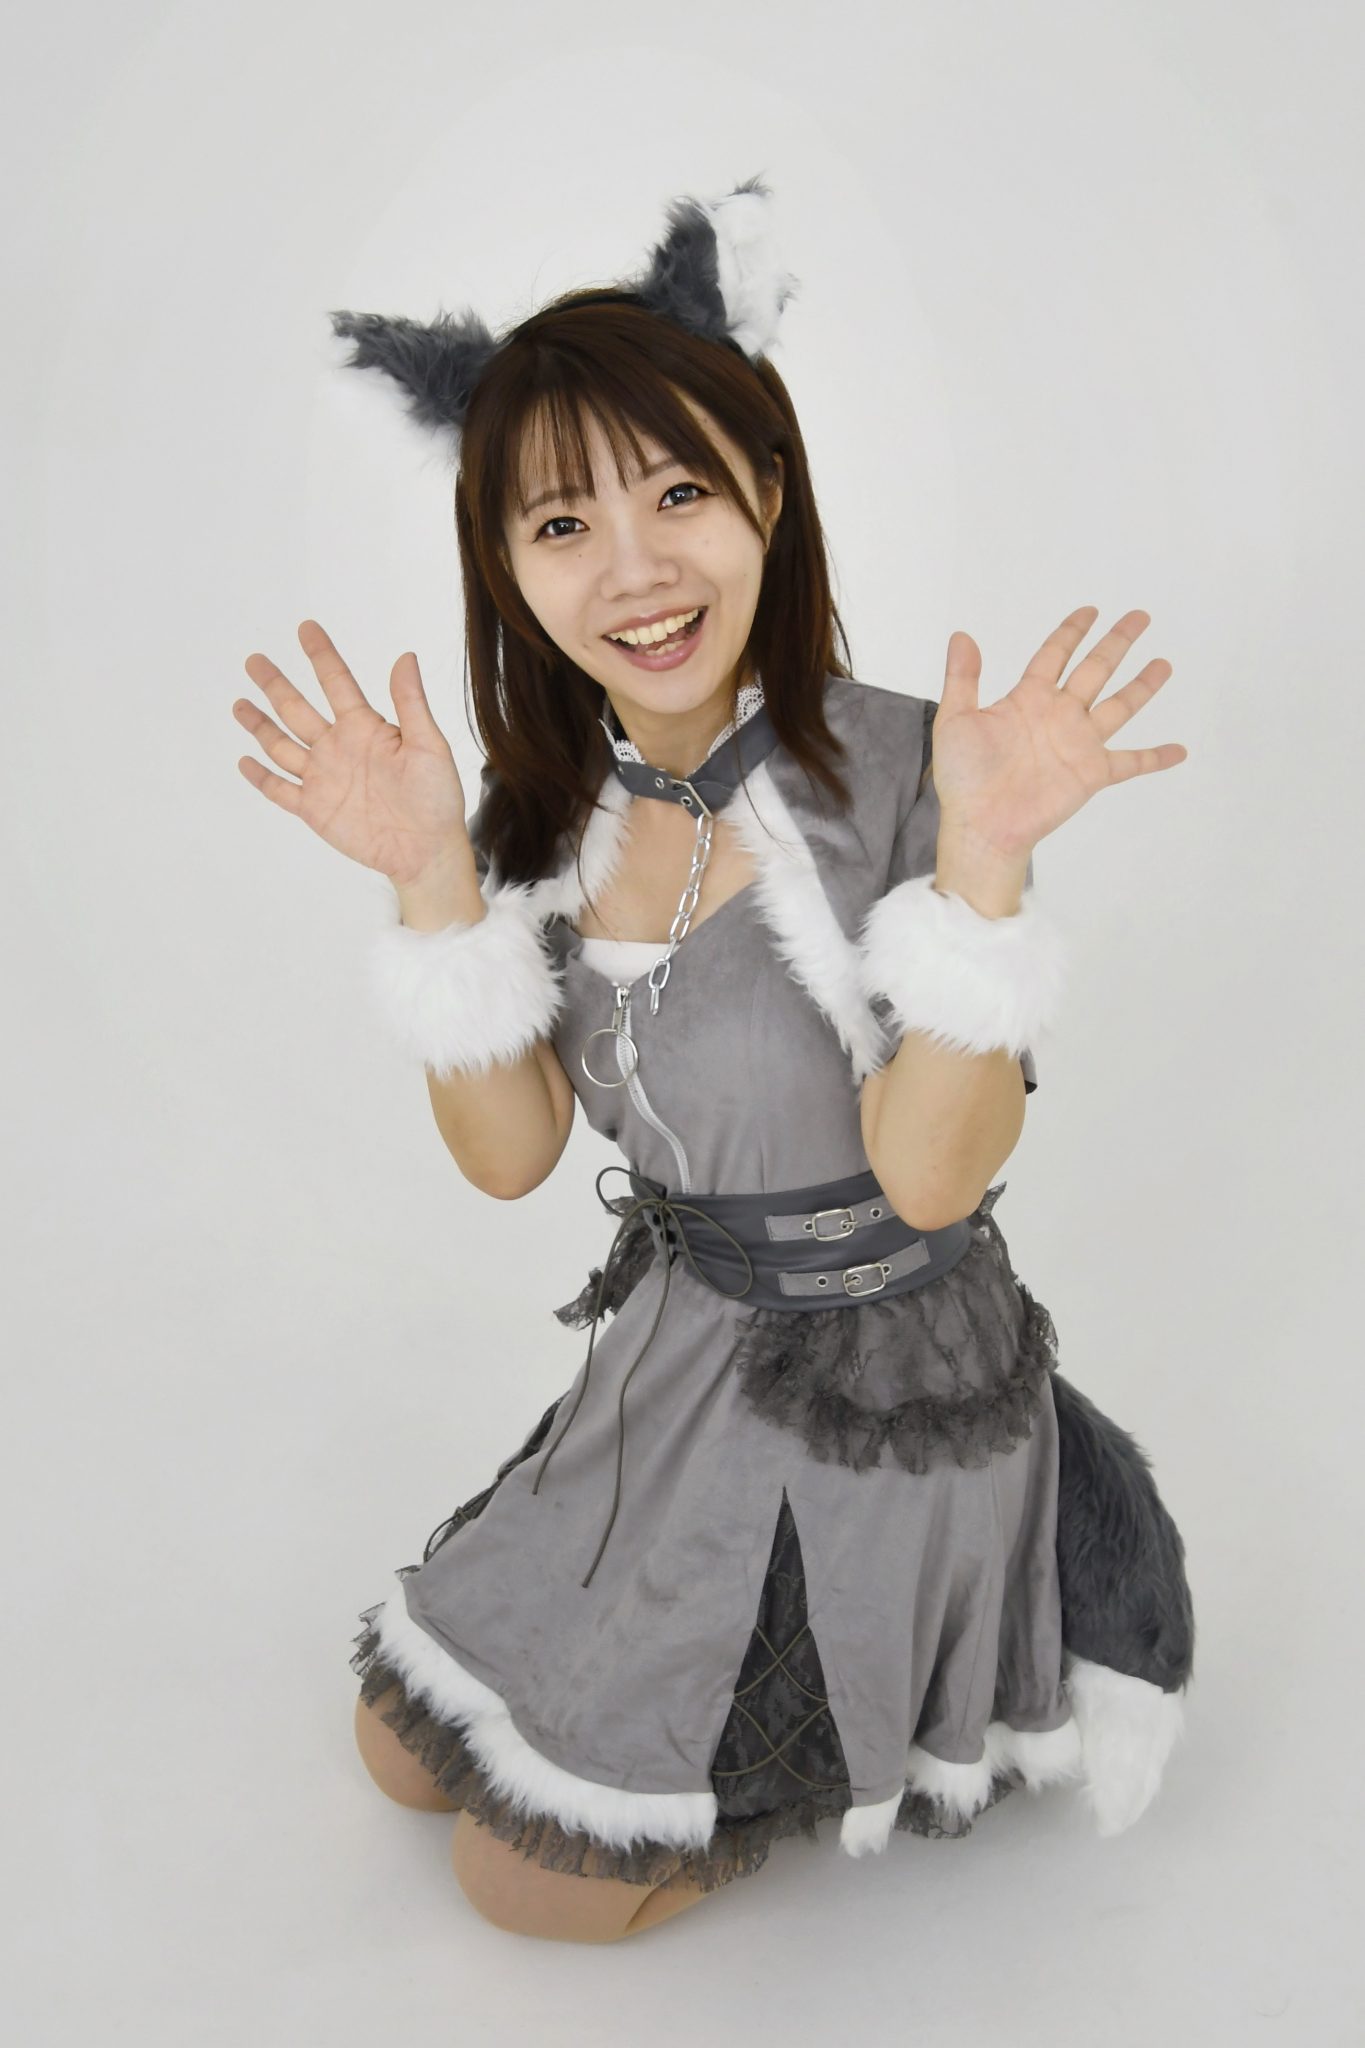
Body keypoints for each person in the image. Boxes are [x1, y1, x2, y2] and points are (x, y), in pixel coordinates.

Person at [233, 178, 1196, 1944]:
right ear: (505, 568)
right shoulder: (554, 812)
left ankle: (825, 1737)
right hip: (678, 1351)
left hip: (875, 1386)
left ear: (767, 487)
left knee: (527, 1889)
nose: (635, 569)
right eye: (563, 523)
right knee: (395, 1750)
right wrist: (431, 877)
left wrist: (982, 870)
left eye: (678, 492)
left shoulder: (926, 770)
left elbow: (928, 1181)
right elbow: (511, 1156)